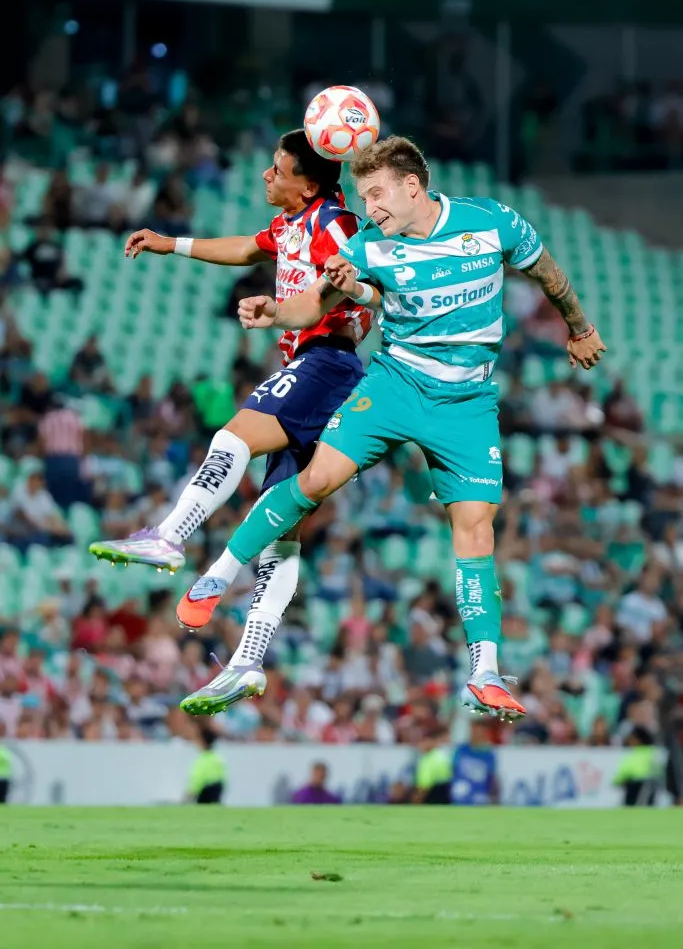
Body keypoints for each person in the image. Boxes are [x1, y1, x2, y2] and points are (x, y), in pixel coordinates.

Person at [179, 136, 606, 720]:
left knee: (476, 529)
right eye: (362, 195)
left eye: (377, 193)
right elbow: (312, 304)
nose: (369, 206)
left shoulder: (492, 222)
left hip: (467, 403)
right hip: (395, 385)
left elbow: (547, 272)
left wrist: (579, 328)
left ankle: (484, 672)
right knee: (318, 478)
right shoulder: (365, 245)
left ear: (412, 186)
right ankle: (217, 576)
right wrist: (275, 311)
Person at [89, 130, 370, 697]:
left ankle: (172, 535)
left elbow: (352, 280)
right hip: (321, 369)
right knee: (281, 530)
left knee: (233, 436)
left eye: (278, 169)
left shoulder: (335, 223)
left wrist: (296, 309)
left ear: (307, 185)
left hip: (326, 363)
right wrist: (170, 244)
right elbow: (245, 248)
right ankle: (248, 660)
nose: (267, 175)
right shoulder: (293, 223)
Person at [612, 726, 660, 807]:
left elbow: (622, 776)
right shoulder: (654, 753)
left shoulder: (634, 755)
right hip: (651, 793)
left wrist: (617, 781)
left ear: (638, 740)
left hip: (634, 792)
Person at [186, 727, 227, 804]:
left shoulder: (202, 760)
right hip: (216, 795)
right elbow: (222, 779)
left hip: (205, 794)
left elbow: (197, 779)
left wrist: (190, 793)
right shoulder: (217, 758)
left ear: (203, 742)